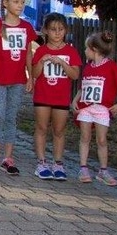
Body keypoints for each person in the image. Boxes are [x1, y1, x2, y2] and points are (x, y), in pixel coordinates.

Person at [0, 0, 36, 176]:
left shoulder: (26, 27)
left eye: (22, 2)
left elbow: (28, 54)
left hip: (18, 80)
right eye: (16, 2)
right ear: (5, 3)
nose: (20, 5)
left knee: (11, 116)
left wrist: (31, 76)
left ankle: (8, 157)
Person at [71, 31, 117, 185]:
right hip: (85, 108)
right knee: (85, 137)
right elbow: (83, 87)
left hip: (102, 108)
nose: (84, 51)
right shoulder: (88, 67)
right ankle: (83, 167)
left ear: (94, 49)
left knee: (101, 139)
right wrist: (75, 100)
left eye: (86, 48)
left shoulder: (112, 67)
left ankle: (103, 170)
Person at [31, 13, 81, 180]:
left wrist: (63, 63)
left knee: (59, 131)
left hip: (61, 97)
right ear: (46, 31)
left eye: (60, 29)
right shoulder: (41, 51)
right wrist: (41, 62)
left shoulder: (71, 51)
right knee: (42, 128)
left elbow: (75, 75)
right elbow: (35, 74)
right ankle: (41, 162)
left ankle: (58, 163)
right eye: (53, 30)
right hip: (43, 96)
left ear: (65, 30)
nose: (57, 33)